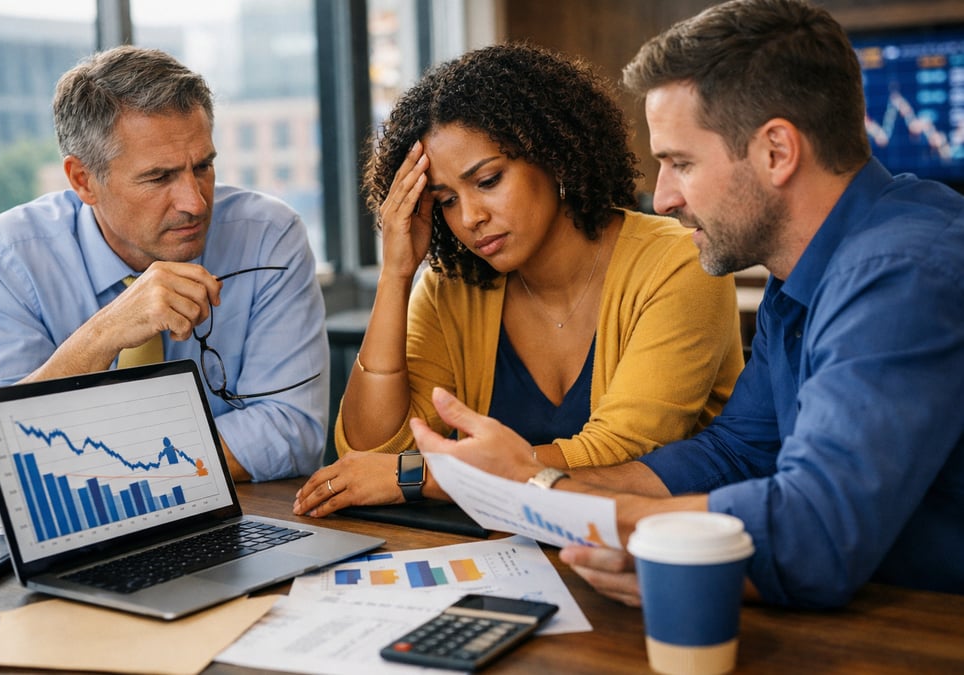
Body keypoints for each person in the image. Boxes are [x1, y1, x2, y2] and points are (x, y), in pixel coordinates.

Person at [409, 0, 964, 610]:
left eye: (680, 162)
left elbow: (815, 527)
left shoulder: (899, 272)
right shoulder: (802, 274)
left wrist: (547, 494)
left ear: (777, 151)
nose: (665, 195)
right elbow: (733, 453)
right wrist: (534, 485)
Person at [294, 43, 744, 517]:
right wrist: (396, 274)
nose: (470, 217)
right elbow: (370, 456)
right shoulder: (453, 286)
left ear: (552, 155)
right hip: (512, 549)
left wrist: (424, 476)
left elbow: (622, 452)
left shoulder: (676, 261)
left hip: (654, 554)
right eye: (446, 200)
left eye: (488, 180)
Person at [0, 46, 329, 502]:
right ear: (83, 181)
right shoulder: (10, 255)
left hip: (232, 518)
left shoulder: (268, 234)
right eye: (158, 177)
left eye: (203, 167)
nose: (195, 202)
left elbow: (293, 430)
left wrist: (85, 463)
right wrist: (103, 334)